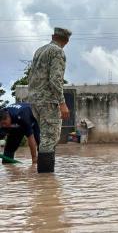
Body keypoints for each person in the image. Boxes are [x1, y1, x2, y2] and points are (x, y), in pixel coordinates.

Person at [28, 27, 72, 173]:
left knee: (45, 136)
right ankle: (46, 182)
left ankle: (45, 184)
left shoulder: (40, 50)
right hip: (48, 102)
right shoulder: (58, 52)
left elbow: (32, 75)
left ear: (53, 36)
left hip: (35, 100)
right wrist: (62, 102)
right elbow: (55, 79)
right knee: (49, 139)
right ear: (66, 41)